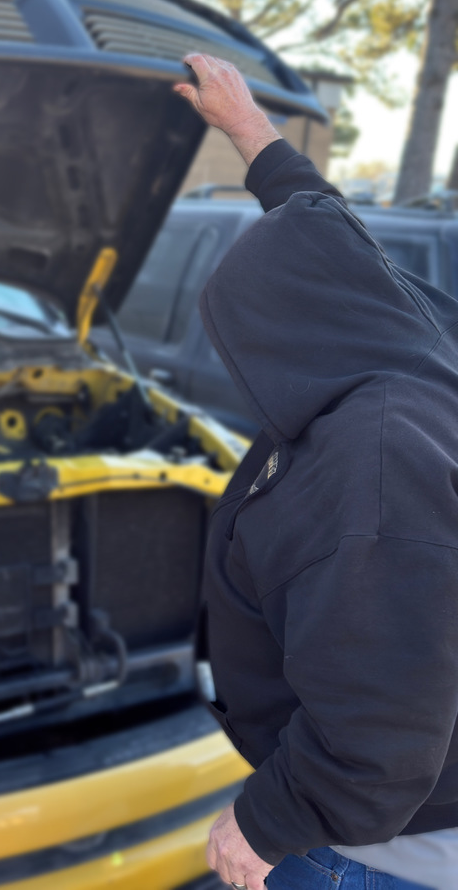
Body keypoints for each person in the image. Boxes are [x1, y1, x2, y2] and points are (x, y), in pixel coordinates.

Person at [171, 54, 458, 890]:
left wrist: (265, 825)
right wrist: (250, 132)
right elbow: (337, 234)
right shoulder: (419, 358)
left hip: (371, 853)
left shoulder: (372, 465)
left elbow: (383, 722)